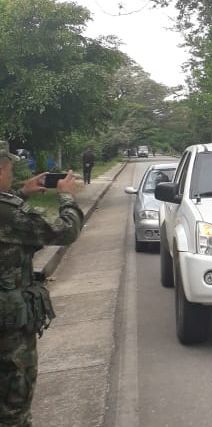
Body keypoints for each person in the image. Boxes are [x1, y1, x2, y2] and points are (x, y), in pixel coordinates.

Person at [0, 141, 83, 426]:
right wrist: (67, 198)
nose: (12, 173)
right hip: (7, 328)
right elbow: (64, 231)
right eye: (10, 167)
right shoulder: (8, 213)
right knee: (14, 404)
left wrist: (20, 192)